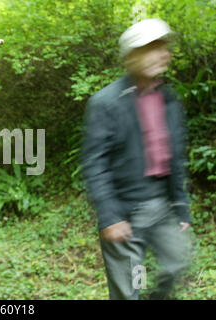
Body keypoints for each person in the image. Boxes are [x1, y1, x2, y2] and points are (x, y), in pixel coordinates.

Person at [81, 18, 193, 300]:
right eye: (153, 47)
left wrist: (181, 206)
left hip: (162, 207)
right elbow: (95, 164)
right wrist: (110, 217)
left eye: (164, 47)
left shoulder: (168, 99)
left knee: (177, 262)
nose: (163, 53)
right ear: (131, 56)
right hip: (125, 212)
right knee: (131, 287)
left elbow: (175, 157)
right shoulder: (106, 102)